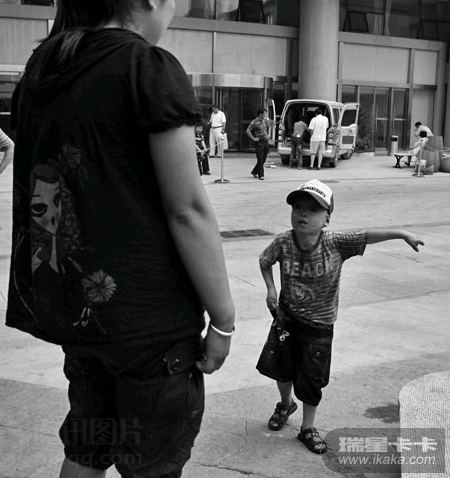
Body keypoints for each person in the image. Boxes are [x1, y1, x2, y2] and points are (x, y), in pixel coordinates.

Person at [6, 1, 235, 477]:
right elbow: (187, 209)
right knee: (151, 465)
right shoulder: (146, 66)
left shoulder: (44, 69)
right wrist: (224, 320)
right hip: (150, 327)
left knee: (86, 448)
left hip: (79, 315)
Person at [259, 179, 424, 455]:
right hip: (286, 319)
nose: (303, 213)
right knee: (281, 368)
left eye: (313, 209)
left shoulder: (335, 242)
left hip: (319, 326)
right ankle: (285, 404)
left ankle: (307, 427)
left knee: (311, 378)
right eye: (298, 207)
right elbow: (265, 261)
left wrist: (402, 233)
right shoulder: (283, 241)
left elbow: (367, 235)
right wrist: (271, 290)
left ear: (327, 219)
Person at [247, 107, 270, 180]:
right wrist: (253, 138)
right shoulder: (254, 122)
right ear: (260, 114)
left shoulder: (265, 121)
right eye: (264, 114)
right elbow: (248, 130)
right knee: (260, 159)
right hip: (259, 141)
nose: (265, 115)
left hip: (265, 141)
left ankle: (254, 171)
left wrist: (268, 135)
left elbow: (268, 128)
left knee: (264, 159)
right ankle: (261, 175)